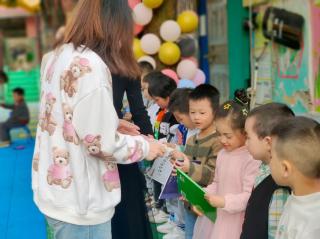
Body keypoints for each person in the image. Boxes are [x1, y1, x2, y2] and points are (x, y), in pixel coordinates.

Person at [32, 1, 165, 239]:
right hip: (83, 200)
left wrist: (111, 121)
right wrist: (147, 147)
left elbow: (65, 114)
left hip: (58, 190)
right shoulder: (91, 65)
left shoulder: (56, 56)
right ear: (115, 26)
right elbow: (100, 144)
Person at [193, 100, 260, 239]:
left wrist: (224, 202)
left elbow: (249, 196)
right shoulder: (223, 154)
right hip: (218, 217)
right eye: (219, 134)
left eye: (228, 135)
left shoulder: (251, 157)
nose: (222, 140)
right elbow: (217, 183)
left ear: (244, 132)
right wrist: (202, 195)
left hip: (236, 222)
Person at [171, 84, 222, 239]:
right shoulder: (192, 139)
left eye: (202, 112)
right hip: (189, 203)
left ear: (215, 111)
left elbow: (214, 174)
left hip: (207, 207)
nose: (196, 117)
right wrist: (179, 167)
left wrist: (188, 167)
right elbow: (187, 168)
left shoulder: (219, 140)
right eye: (192, 112)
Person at [241, 103, 295, 239]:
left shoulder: (279, 187)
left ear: (268, 142)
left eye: (248, 137)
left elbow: (276, 233)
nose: (245, 142)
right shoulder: (263, 167)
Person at [111, 74, 154, 239]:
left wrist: (151, 142)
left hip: (115, 140)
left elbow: (138, 110)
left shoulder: (126, 67)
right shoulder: (88, 62)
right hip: (108, 142)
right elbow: (139, 111)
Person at [269, 117, 320, 239]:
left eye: (271, 156)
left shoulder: (314, 225)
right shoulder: (298, 197)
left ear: (285, 169)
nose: (268, 163)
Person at [146, 71, 179, 223]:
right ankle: (164, 210)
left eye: (157, 99)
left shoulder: (174, 115)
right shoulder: (163, 112)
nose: (156, 102)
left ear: (168, 96)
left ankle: (171, 217)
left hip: (171, 155)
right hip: (161, 151)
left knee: (171, 189)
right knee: (159, 182)